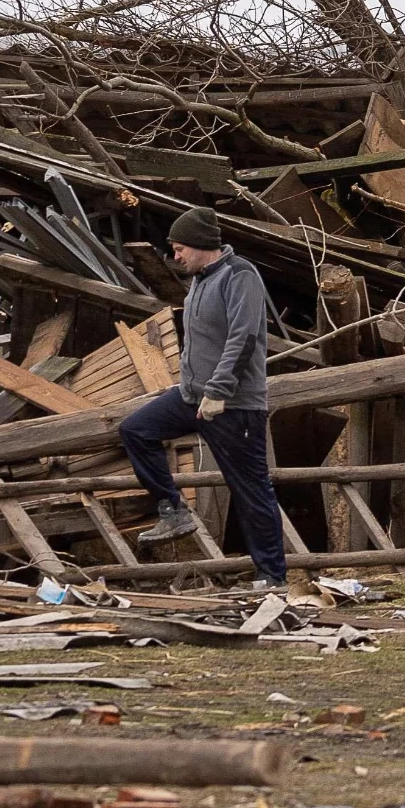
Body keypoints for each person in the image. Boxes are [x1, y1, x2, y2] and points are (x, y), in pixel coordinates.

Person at [117, 208, 287, 590]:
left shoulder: (239, 276)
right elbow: (202, 343)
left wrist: (219, 390)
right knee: (137, 429)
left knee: (250, 489)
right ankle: (173, 510)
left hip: (234, 405)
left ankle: (271, 577)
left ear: (201, 246)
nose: (175, 256)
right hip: (193, 397)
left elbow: (243, 339)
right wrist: (190, 385)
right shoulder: (199, 280)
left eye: (180, 249)